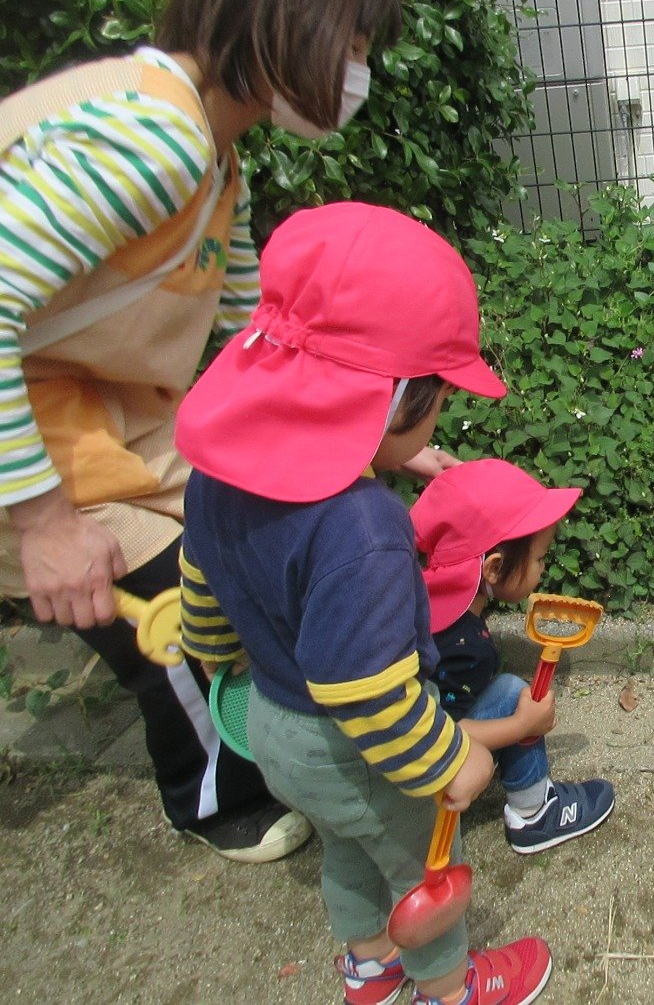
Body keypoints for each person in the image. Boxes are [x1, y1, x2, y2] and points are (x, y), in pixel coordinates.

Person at [0, 0, 406, 862]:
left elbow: (259, 338)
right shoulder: (153, 140)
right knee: (171, 606)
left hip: (90, 411)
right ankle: (215, 796)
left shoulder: (216, 160)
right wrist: (45, 524)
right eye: (351, 46)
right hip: (24, 431)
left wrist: (383, 433)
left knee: (242, 533)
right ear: (283, 24)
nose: (358, 72)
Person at [176, 202, 552, 1005]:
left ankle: (369, 967)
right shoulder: (365, 529)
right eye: (438, 396)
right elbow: (367, 693)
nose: (441, 412)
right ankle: (448, 987)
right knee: (424, 870)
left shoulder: (215, 475)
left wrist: (223, 661)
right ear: (395, 398)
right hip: (353, 745)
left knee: (346, 848)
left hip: (272, 728)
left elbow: (202, 597)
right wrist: (451, 760)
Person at [410, 458, 616, 854]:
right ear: (494, 568)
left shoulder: (418, 600)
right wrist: (522, 725)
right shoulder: (464, 647)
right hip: (414, 771)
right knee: (510, 692)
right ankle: (534, 813)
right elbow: (436, 734)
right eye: (539, 558)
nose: (543, 568)